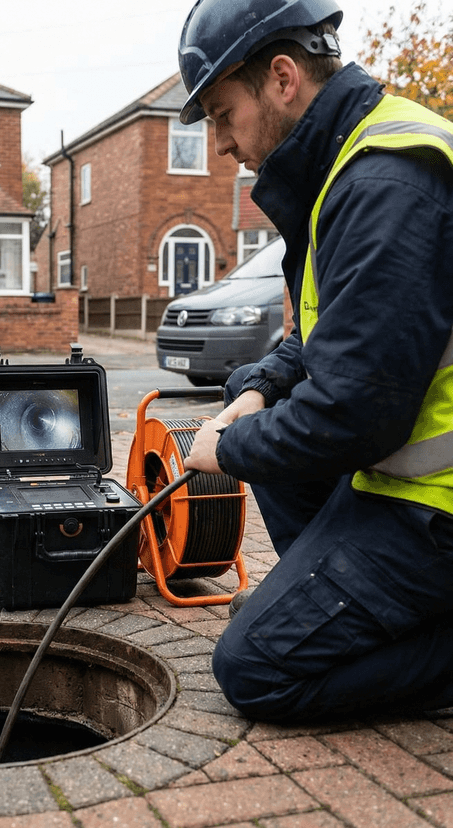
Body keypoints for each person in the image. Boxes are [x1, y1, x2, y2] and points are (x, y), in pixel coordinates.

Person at [179, 0, 453, 722]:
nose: (221, 144)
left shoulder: (383, 185)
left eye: (221, 114)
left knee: (256, 670)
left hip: (438, 506)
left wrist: (227, 446)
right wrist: (262, 386)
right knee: (252, 392)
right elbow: (337, 335)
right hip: (404, 475)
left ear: (281, 77)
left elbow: (354, 414)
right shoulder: (344, 166)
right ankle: (340, 604)